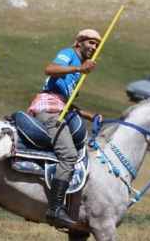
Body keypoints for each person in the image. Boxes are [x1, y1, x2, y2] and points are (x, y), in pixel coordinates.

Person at [27, 29, 103, 229]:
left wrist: (88, 115)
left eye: (96, 45)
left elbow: (66, 102)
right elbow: (50, 69)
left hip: (60, 107)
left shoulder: (79, 69)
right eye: (90, 42)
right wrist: (78, 69)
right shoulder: (69, 54)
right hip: (48, 108)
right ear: (79, 43)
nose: (93, 47)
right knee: (68, 155)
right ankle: (54, 209)